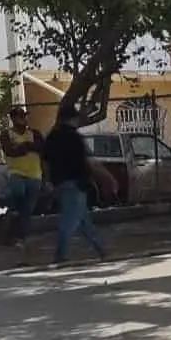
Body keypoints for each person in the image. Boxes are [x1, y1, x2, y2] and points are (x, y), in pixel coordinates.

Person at [42, 104, 117, 264]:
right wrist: (108, 177)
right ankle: (61, 255)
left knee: (83, 220)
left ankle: (103, 250)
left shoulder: (51, 137)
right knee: (70, 221)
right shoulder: (74, 137)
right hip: (76, 182)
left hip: (59, 183)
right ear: (72, 119)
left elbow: (45, 162)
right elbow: (90, 162)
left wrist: (47, 182)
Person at [0, 105, 45, 250]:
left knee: (27, 210)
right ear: (13, 119)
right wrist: (27, 146)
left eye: (24, 116)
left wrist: (23, 147)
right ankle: (13, 208)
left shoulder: (34, 133)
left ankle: (19, 237)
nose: (23, 119)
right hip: (16, 172)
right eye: (20, 117)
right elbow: (10, 152)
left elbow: (42, 149)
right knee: (18, 192)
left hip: (35, 173)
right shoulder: (6, 134)